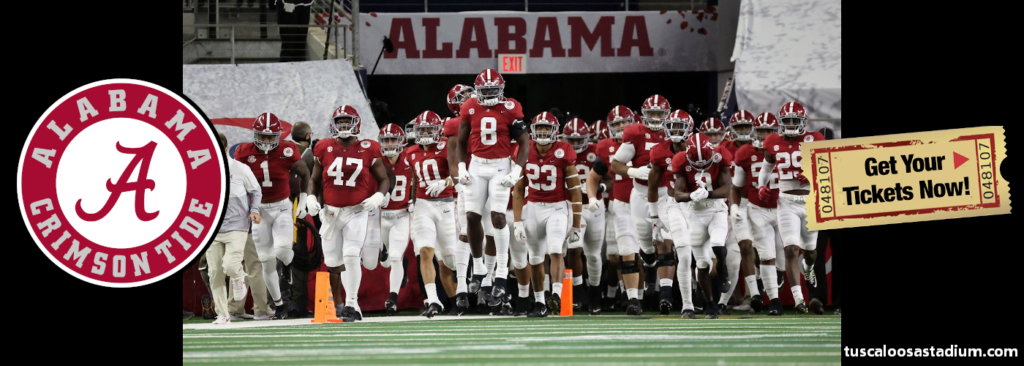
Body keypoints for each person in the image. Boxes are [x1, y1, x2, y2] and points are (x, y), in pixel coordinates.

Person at [306, 105, 391, 321]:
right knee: (333, 262)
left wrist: (379, 196)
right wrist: (310, 197)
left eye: (347, 121)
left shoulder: (369, 147)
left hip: (357, 211)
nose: (344, 125)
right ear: (333, 124)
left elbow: (384, 178)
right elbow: (314, 179)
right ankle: (343, 305)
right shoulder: (323, 147)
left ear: (356, 123)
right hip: (330, 213)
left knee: (352, 254)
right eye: (340, 121)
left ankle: (352, 304)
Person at [234, 112, 310, 319]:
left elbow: (304, 173)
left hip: (282, 207)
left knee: (284, 249)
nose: (267, 141)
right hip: (259, 211)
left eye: (270, 136)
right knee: (266, 259)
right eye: (263, 136)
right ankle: (279, 304)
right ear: (255, 134)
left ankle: (286, 269)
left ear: (277, 135)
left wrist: (303, 200)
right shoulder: (243, 152)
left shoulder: (287, 149)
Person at [756, 102, 825, 315]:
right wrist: (761, 187)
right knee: (791, 249)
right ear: (781, 123)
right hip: (785, 201)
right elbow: (766, 168)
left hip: (811, 200)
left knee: (811, 252)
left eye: (796, 121)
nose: (792, 125)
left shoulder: (815, 139)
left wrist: (813, 172)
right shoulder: (772, 141)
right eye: (788, 121)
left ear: (804, 122)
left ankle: (809, 269)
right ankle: (799, 299)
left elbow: (830, 166)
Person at [512, 112, 583, 317]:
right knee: (534, 257)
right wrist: (517, 221)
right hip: (533, 207)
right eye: (539, 128)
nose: (543, 132)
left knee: (554, 249)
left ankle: (557, 295)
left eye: (546, 128)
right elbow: (518, 189)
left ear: (555, 131)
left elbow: (575, 190)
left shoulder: (564, 151)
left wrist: (576, 224)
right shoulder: (524, 150)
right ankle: (540, 303)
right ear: (532, 131)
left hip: (557, 208)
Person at [207, 131, 264, 324]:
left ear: (224, 149)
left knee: (231, 265)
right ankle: (223, 314)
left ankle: (239, 276)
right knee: (214, 273)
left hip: (237, 226)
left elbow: (256, 190)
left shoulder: (240, 168)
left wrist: (254, 210)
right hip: (211, 229)